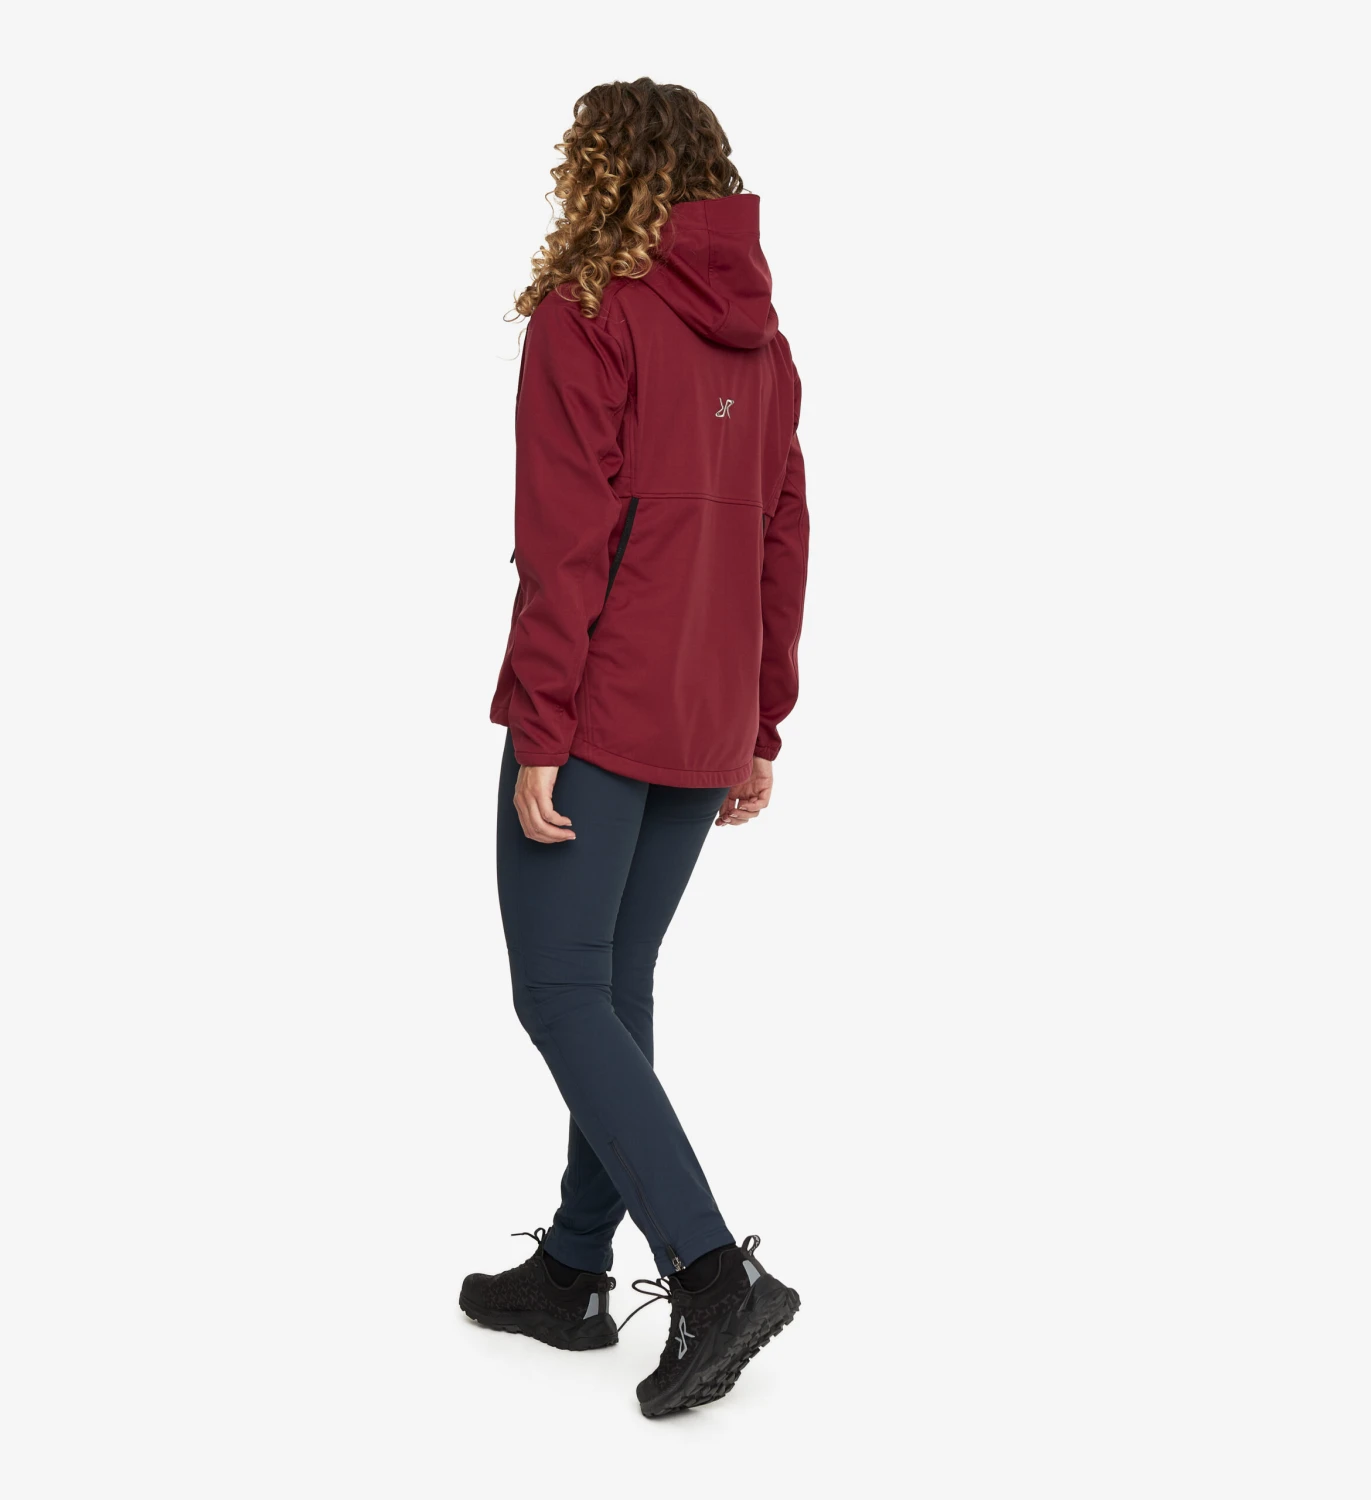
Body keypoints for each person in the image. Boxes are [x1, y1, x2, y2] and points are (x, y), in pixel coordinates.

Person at [459, 78, 810, 1418]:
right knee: (613, 983)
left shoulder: (588, 315)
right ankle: (571, 1270)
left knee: (560, 993)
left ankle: (712, 1272)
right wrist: (757, 720)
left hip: (602, 712)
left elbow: (562, 543)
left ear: (596, 175)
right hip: (702, 715)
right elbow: (784, 534)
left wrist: (541, 724)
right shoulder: (762, 341)